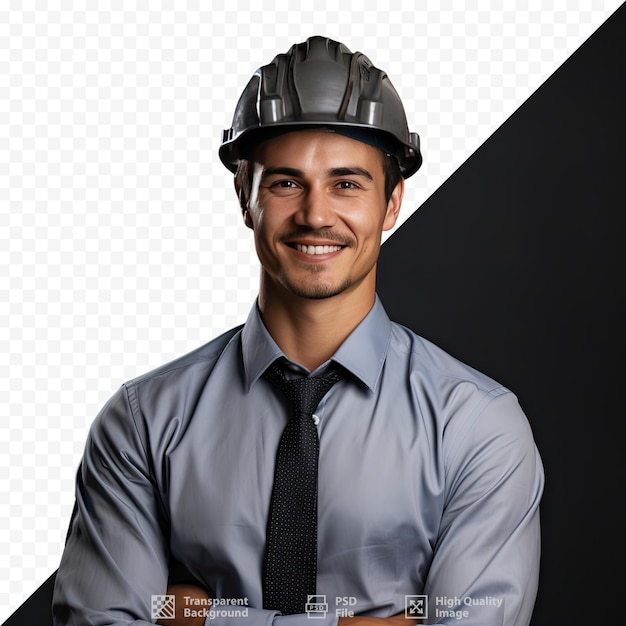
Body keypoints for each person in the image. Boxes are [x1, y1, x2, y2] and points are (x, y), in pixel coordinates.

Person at [52, 36, 543, 626]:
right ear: (244, 196)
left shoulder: (477, 427)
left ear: (391, 204)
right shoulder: (141, 423)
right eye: (286, 183)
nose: (315, 214)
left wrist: (210, 619)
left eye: (347, 184)